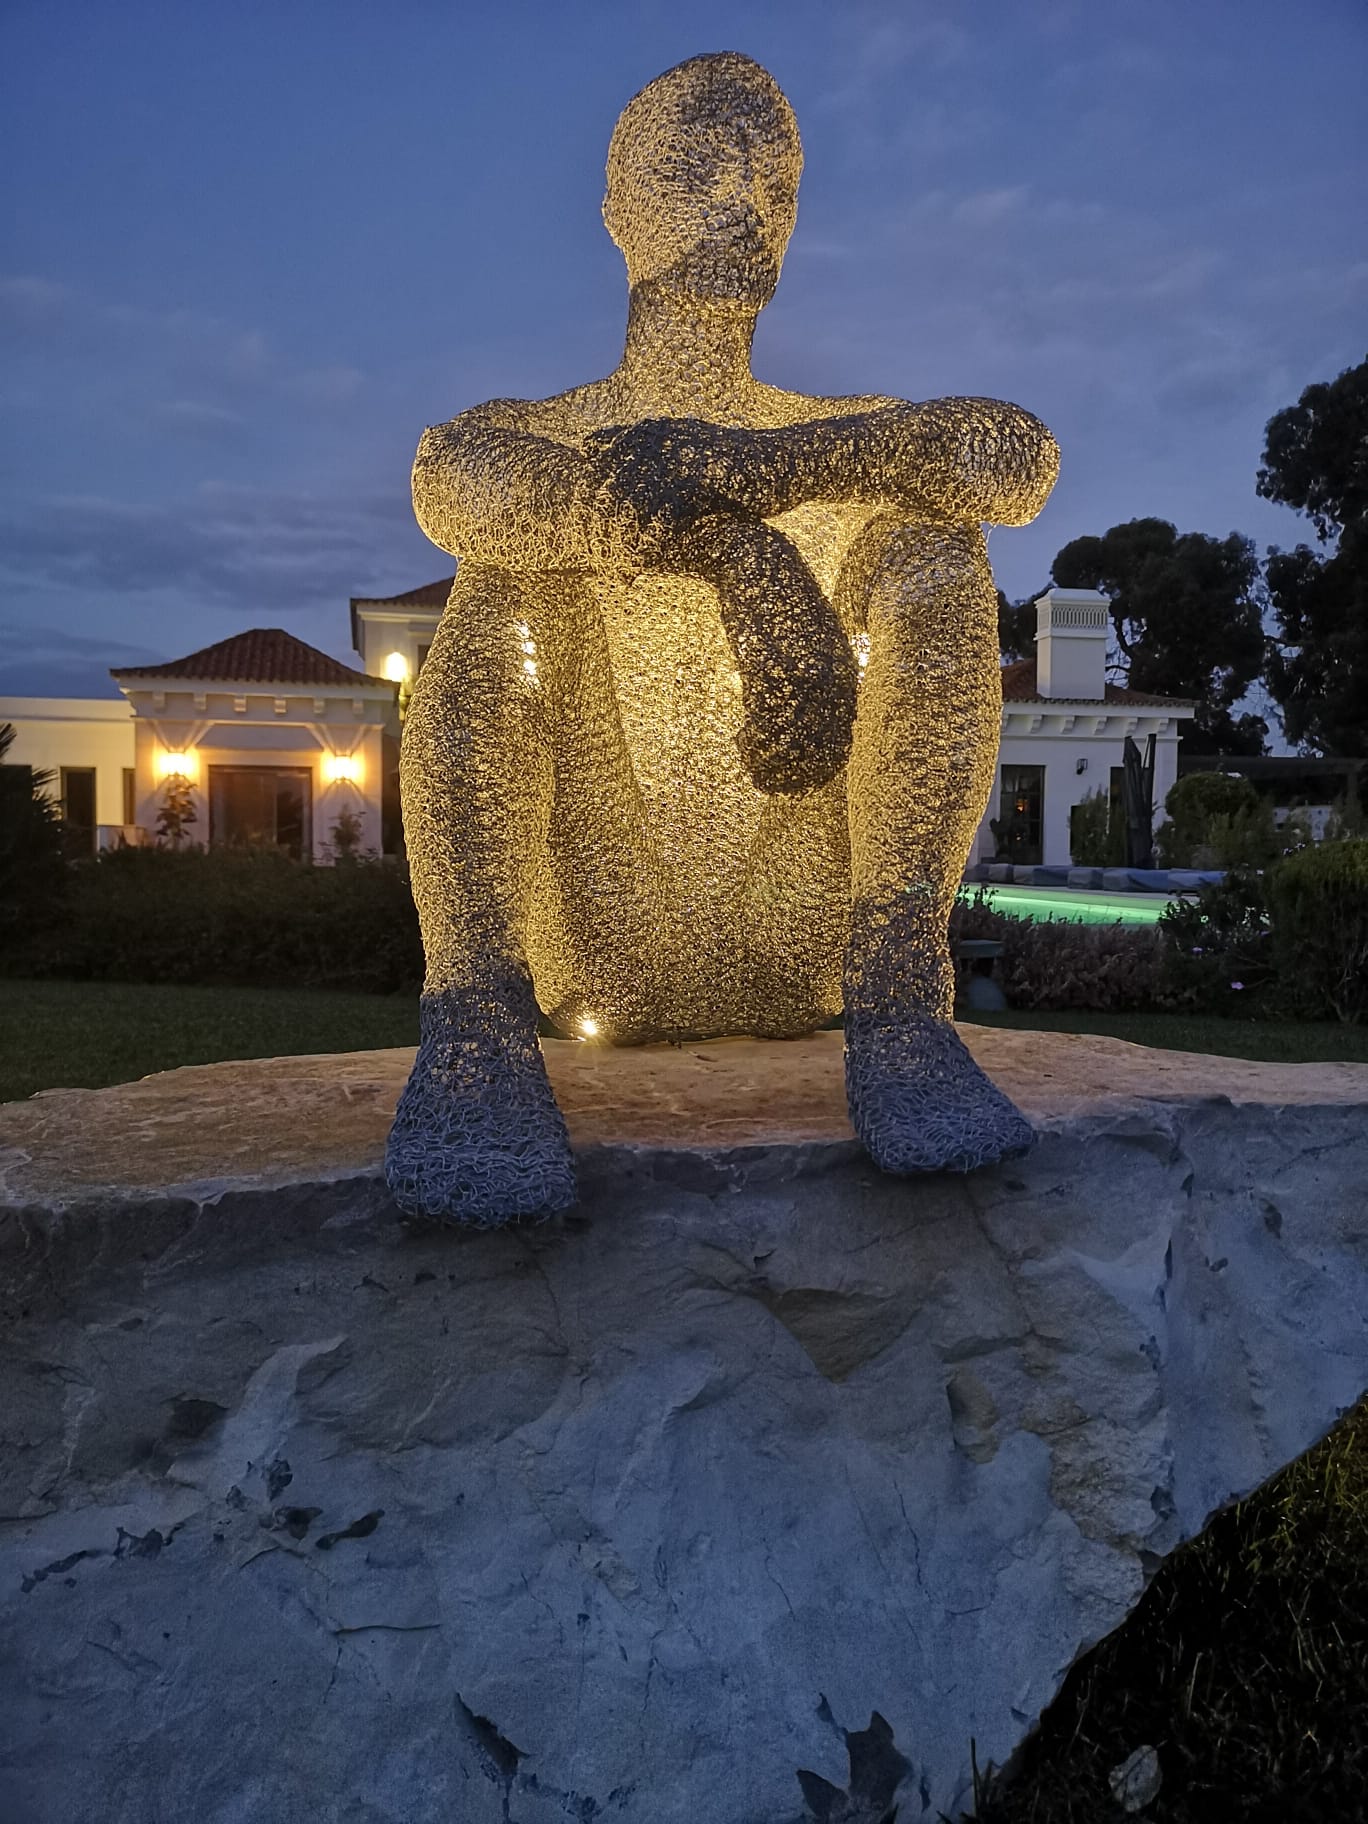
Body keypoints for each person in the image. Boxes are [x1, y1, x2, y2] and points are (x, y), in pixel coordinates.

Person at [387, 51, 1059, 1224]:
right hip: (602, 942)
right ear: (617, 207)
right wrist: (739, 556)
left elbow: (1013, 456)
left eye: (780, 179)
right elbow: (455, 486)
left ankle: (904, 996)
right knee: (508, 575)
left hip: (802, 939)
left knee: (936, 545)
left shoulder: (844, 434)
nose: (749, 198)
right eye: (702, 160)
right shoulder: (534, 433)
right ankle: (476, 1020)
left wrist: (763, 469)